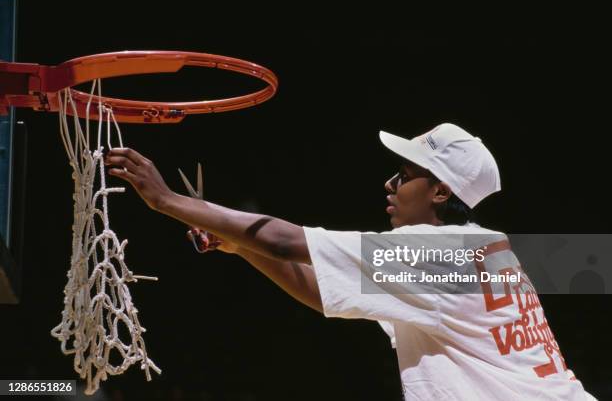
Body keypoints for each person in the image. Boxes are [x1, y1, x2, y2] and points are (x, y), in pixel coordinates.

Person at [104, 123, 596, 400]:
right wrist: (240, 246)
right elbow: (324, 293)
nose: (389, 187)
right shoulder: (481, 250)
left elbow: (281, 239)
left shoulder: (440, 254)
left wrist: (166, 201)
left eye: (402, 175)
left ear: (441, 191)